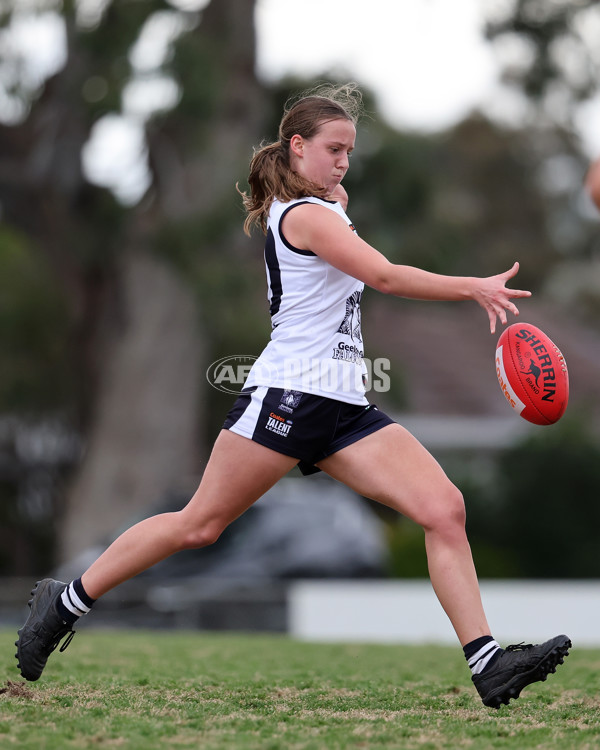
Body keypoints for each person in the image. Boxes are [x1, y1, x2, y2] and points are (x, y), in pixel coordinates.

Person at [15, 83, 570, 708]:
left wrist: (337, 194)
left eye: (350, 152)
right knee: (200, 525)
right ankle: (62, 604)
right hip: (289, 396)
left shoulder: (325, 208)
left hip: (344, 408)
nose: (343, 162)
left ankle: (488, 664)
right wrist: (473, 287)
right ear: (297, 147)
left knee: (444, 509)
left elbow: (346, 228)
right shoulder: (303, 216)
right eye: (333, 149)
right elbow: (384, 275)